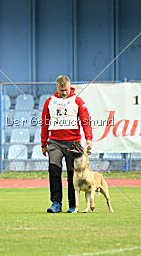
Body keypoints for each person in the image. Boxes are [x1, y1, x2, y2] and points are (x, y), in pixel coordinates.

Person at [41, 75, 92, 213]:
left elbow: (85, 120)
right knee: (54, 171)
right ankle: (56, 203)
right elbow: (45, 123)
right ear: (57, 87)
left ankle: (73, 205)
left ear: (70, 86)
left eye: (66, 90)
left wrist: (88, 138)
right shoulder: (49, 102)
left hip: (73, 143)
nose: (64, 93)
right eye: (61, 90)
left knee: (72, 174)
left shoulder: (77, 101)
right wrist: (43, 143)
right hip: (54, 143)